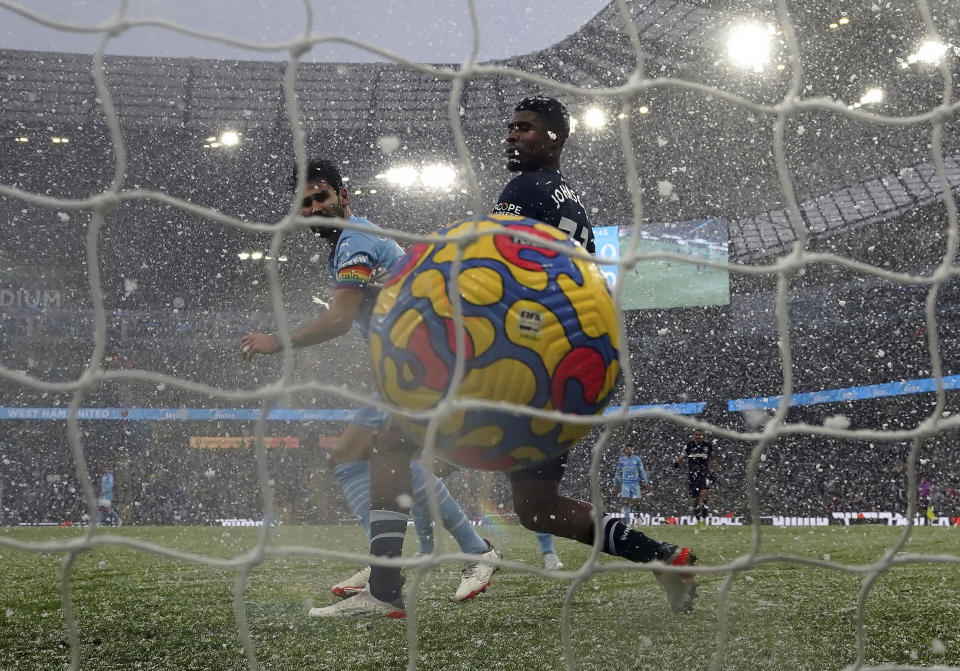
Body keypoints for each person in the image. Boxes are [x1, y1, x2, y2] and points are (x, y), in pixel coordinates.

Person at [311, 101, 696, 619]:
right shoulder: (568, 199)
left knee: (388, 445)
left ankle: (386, 585)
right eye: (510, 128)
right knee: (538, 508)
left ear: (556, 138)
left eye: (525, 129)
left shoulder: (522, 191)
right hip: (567, 369)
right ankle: (663, 557)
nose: (512, 137)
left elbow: (491, 269)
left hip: (517, 359)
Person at [240, 159, 500, 604]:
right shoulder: (354, 235)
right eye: (305, 203)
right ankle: (402, 562)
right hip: (420, 361)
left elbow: (340, 320)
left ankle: (411, 567)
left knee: (383, 459)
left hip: (426, 363)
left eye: (321, 196)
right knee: (353, 456)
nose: (315, 207)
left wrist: (274, 342)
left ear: (345, 195)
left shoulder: (355, 240)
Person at [674, 429, 717, 530]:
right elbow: (681, 456)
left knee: (705, 495)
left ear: (703, 436)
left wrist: (713, 472)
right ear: (693, 436)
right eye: (697, 435)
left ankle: (703, 521)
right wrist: (677, 463)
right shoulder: (688, 446)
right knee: (695, 500)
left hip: (704, 473)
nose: (699, 437)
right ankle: (698, 521)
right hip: (693, 475)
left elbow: (713, 460)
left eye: (701, 435)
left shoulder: (708, 446)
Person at [614, 445, 649, 527]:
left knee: (637, 500)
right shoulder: (621, 460)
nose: (629, 450)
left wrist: (646, 480)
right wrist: (615, 483)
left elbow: (641, 470)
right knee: (626, 502)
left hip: (635, 483)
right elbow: (617, 472)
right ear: (625, 450)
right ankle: (628, 523)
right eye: (627, 449)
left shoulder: (637, 459)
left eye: (630, 449)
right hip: (625, 483)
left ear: (632, 450)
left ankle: (638, 516)